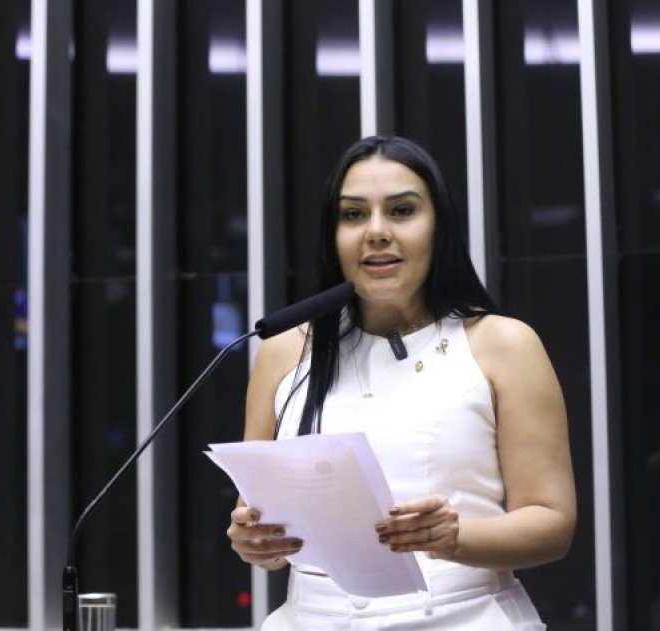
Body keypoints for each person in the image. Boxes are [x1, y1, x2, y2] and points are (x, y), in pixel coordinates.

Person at [227, 135, 576, 629]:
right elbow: (257, 517)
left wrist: (456, 537)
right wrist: (253, 541)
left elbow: (552, 522)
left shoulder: (503, 344)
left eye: (402, 211)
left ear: (439, 227)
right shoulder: (284, 351)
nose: (376, 232)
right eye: (353, 215)